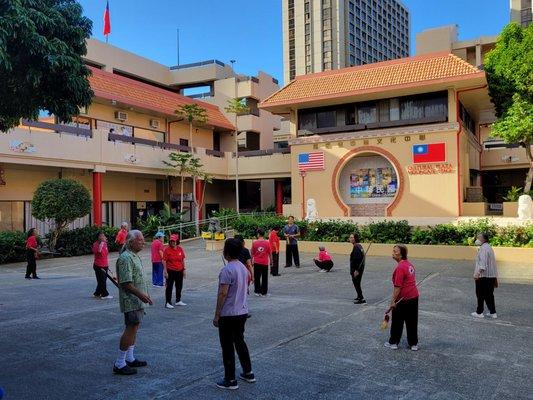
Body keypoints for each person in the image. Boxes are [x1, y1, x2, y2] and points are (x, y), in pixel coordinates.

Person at [213, 238, 255, 390]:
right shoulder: (243, 269)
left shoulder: (227, 270)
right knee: (240, 341)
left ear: (226, 252)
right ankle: (248, 372)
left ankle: (230, 379)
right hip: (242, 312)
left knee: (227, 346)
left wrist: (217, 314)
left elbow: (223, 293)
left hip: (228, 313)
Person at [113, 230, 153, 375]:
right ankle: (119, 363)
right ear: (131, 242)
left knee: (135, 328)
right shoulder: (125, 258)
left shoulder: (134, 256)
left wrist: (144, 296)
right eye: (140, 240)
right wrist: (141, 295)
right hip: (131, 301)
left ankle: (130, 358)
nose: (143, 242)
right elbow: (126, 283)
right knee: (130, 329)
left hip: (138, 300)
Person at [385, 244, 419, 351]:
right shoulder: (409, 265)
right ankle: (413, 344)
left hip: (402, 299)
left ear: (401, 254)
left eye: (396, 251)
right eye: (393, 250)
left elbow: (398, 287)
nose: (393, 252)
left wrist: (392, 301)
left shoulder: (400, 267)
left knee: (397, 321)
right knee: (412, 321)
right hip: (413, 297)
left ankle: (393, 342)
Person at [471, 233, 498, 319]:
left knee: (480, 294)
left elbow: (483, 264)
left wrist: (477, 274)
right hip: (491, 275)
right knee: (489, 295)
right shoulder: (488, 247)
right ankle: (493, 312)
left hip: (483, 276)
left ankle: (479, 312)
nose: (476, 239)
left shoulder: (483, 249)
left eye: (478, 238)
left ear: (483, 239)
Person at [163, 234, 187, 309]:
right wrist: (165, 271)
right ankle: (168, 302)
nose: (172, 242)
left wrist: (184, 270)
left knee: (179, 286)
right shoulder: (167, 250)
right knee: (169, 287)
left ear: (177, 241)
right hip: (171, 270)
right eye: (171, 241)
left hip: (179, 270)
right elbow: (164, 260)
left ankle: (178, 300)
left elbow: (182, 259)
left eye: (174, 241)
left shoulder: (180, 249)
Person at [92, 232, 113, 299]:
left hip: (105, 264)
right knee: (102, 281)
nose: (103, 237)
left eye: (104, 236)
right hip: (98, 265)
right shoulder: (95, 244)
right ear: (98, 237)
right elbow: (98, 252)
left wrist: (107, 265)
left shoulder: (105, 244)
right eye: (101, 236)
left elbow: (105, 254)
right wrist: (101, 243)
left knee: (101, 280)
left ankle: (97, 293)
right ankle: (104, 294)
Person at [251, 229, 272, 297]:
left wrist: (251, 261)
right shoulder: (267, 243)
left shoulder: (254, 243)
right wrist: (271, 261)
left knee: (257, 277)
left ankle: (257, 291)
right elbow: (270, 253)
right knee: (264, 277)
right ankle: (264, 292)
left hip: (257, 262)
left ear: (258, 234)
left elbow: (252, 253)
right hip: (264, 263)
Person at [349, 234, 366, 304]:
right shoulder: (359, 246)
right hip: (359, 268)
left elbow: (357, 259)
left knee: (356, 283)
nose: (350, 238)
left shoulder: (356, 247)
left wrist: (356, 270)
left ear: (355, 238)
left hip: (357, 269)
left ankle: (361, 298)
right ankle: (359, 296)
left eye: (351, 237)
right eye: (350, 237)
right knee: (356, 283)